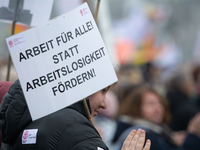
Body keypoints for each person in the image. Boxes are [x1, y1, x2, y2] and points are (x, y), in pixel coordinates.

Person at [0, 79, 151, 150]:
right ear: (82, 87)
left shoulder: (38, 118)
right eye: (103, 91)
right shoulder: (74, 128)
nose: (104, 103)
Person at [112, 85, 200, 150]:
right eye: (151, 104)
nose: (158, 108)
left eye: (160, 103)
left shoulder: (154, 130)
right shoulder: (141, 135)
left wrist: (172, 140)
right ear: (135, 108)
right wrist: (193, 135)